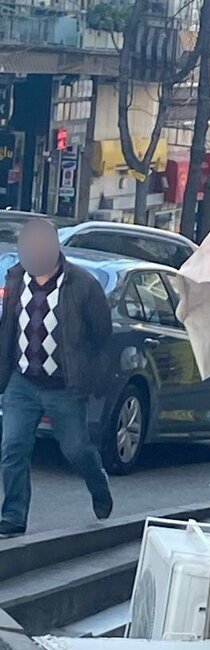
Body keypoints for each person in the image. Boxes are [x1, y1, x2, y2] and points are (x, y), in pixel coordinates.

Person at [0, 219, 113, 537]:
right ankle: (13, 516)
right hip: (22, 382)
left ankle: (97, 482)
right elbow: (8, 328)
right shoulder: (16, 280)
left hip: (64, 384)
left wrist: (92, 381)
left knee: (76, 449)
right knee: (12, 447)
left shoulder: (82, 284)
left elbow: (102, 336)